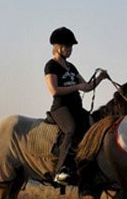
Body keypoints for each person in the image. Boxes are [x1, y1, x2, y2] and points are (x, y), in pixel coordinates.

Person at [44, 27, 103, 185]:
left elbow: (87, 87)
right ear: (58, 47)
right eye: (68, 47)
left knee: (93, 126)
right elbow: (54, 90)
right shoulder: (51, 66)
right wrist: (76, 87)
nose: (70, 50)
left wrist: (100, 78)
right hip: (61, 107)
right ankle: (60, 171)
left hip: (76, 107)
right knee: (71, 128)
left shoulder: (71, 67)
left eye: (71, 47)